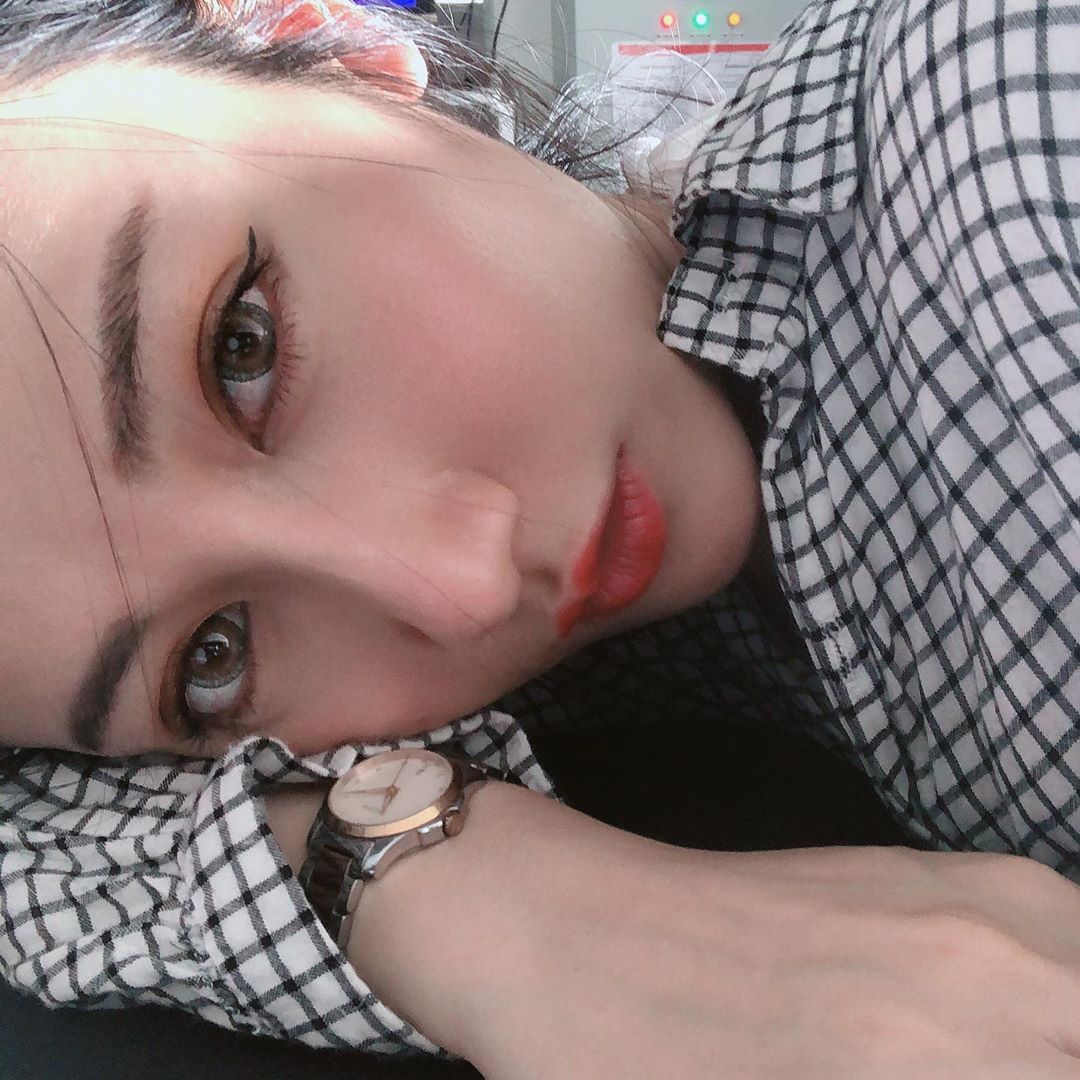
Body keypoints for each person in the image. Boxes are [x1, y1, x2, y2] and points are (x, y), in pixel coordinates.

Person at [1, 0, 1079, 1075]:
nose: (463, 586)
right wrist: (428, 873)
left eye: (244, 344)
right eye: (214, 654)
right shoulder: (567, 674)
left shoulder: (1016, 135)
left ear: (328, 45)